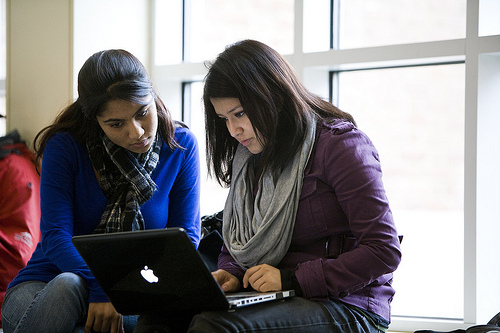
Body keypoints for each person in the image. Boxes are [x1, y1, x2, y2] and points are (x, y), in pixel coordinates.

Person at [134, 39, 402, 333]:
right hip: (273, 295)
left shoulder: (341, 146)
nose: (234, 131)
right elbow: (241, 234)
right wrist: (233, 273)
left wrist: (293, 280)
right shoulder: (250, 156)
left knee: (215, 326)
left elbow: (383, 250)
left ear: (273, 96)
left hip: (349, 303)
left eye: (239, 114)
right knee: (159, 317)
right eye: (224, 119)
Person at [1, 49, 201, 333]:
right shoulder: (66, 147)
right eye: (116, 124)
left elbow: (186, 239)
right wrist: (99, 286)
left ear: (152, 96)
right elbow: (56, 237)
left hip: (134, 291)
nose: (137, 132)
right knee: (69, 284)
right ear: (95, 119)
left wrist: (117, 290)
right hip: (42, 287)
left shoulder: (180, 146)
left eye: (143, 113)